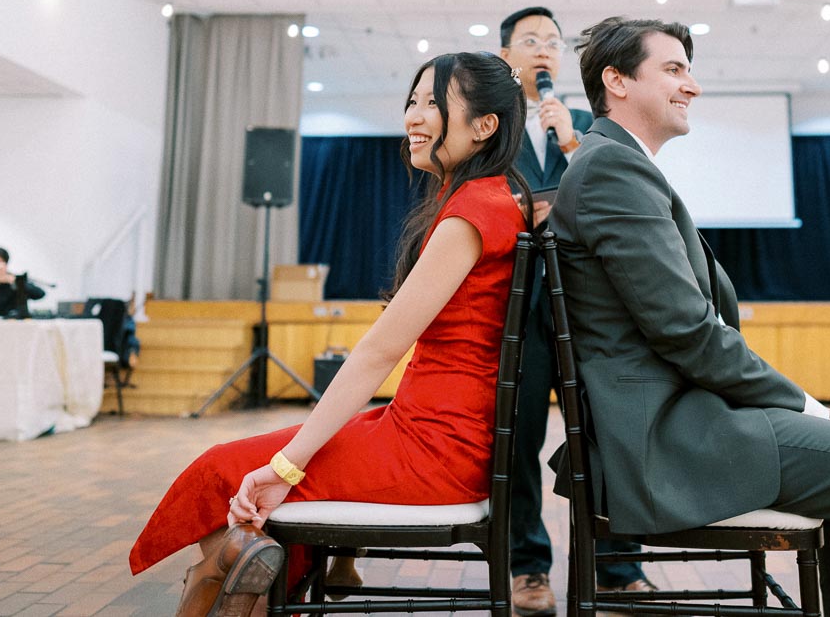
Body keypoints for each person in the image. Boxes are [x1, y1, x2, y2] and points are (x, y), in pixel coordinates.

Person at [547, 17, 830, 617]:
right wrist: (814, 410)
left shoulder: (613, 163)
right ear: (617, 81)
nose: (692, 85)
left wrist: (814, 415)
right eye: (674, 69)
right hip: (673, 442)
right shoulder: (612, 168)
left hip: (688, 423)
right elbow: (689, 333)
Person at [130, 51, 533, 617]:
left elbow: (379, 352)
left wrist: (287, 465)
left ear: (484, 125)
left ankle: (224, 574)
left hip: (434, 448)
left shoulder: (471, 211)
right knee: (248, 484)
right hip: (436, 429)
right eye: (412, 101)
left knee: (222, 470)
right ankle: (259, 570)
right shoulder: (491, 197)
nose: (414, 116)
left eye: (433, 103)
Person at [498, 6, 648, 615]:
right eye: (531, 40)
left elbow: (620, 197)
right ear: (506, 55)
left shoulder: (588, 124)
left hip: (587, 306)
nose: (544, 50)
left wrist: (568, 140)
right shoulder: (492, 128)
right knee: (518, 440)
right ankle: (527, 567)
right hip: (516, 305)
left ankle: (617, 566)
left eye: (554, 42)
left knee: (605, 431)